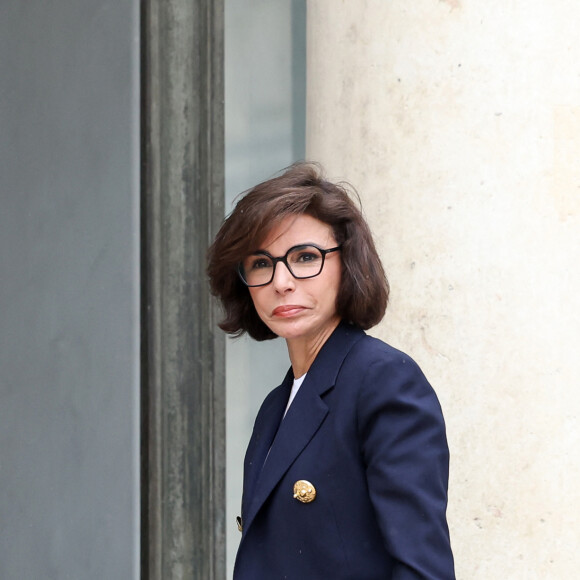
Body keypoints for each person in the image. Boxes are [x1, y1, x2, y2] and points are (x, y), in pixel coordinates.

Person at [207, 162, 455, 580]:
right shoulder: (276, 405)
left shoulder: (383, 380)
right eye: (261, 263)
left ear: (348, 265)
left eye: (305, 257)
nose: (282, 281)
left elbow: (422, 569)